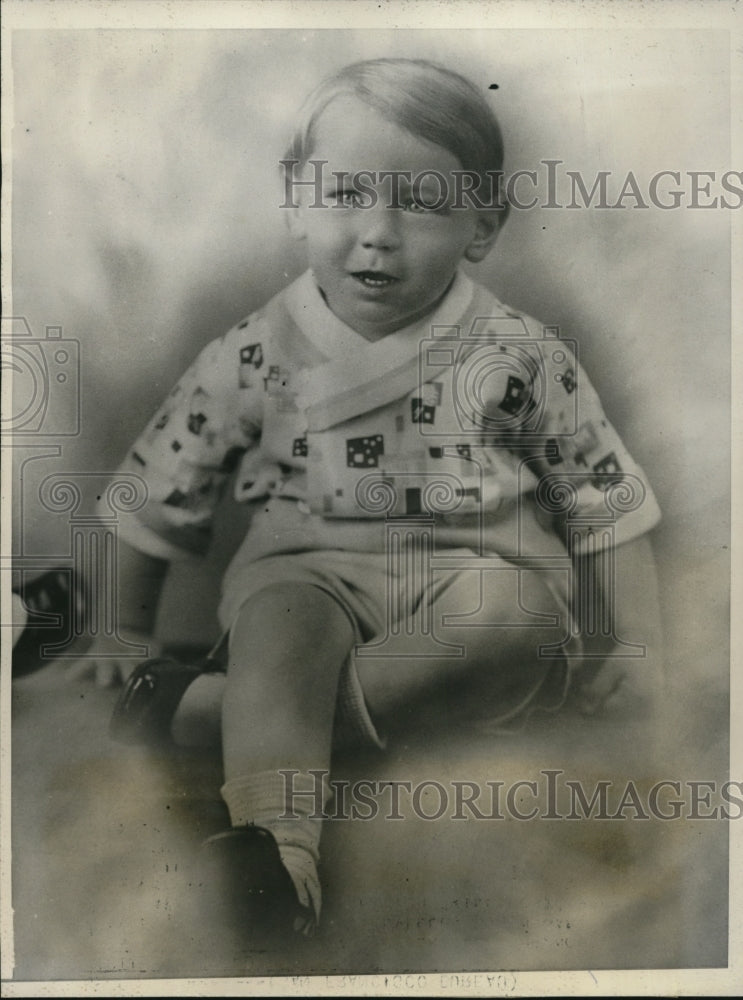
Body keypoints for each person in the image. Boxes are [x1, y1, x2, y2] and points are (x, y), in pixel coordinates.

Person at [81, 58, 663, 947]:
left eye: (422, 205)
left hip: (477, 584)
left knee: (516, 614)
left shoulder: (516, 353)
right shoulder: (255, 351)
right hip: (307, 580)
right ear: (295, 198)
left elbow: (604, 503)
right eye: (345, 195)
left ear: (482, 225)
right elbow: (150, 490)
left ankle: (214, 712)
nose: (377, 234)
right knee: (282, 620)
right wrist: (122, 630)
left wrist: (634, 642)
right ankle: (279, 851)